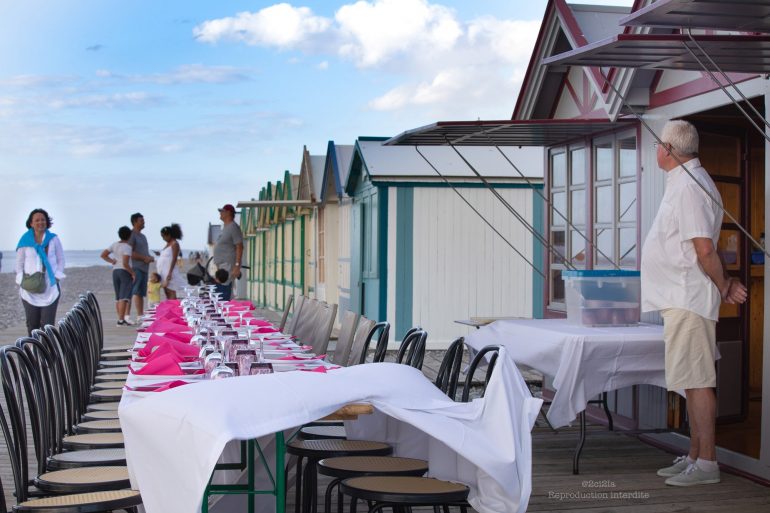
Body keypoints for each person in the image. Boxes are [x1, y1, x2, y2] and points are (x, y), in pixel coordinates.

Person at [641, 120, 748, 487]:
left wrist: (723, 285)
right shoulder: (685, 181)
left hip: (687, 298)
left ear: (669, 149)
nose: (655, 150)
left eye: (658, 145)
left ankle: (707, 464)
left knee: (699, 381)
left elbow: (703, 248)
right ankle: (693, 456)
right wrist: (724, 282)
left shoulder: (688, 186)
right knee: (690, 380)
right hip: (680, 298)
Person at [15, 208, 66, 336]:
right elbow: (19, 263)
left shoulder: (53, 239)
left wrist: (58, 275)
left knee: (48, 325)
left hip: (50, 287)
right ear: (31, 223)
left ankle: (47, 352)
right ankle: (34, 351)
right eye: (37, 220)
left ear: (47, 222)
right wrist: (21, 279)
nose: (40, 222)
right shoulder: (25, 240)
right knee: (32, 323)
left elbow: (61, 259)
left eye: (43, 220)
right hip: (29, 289)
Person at [101, 226, 135, 326]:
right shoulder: (127, 247)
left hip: (115, 271)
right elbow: (125, 263)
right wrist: (133, 273)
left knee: (118, 297)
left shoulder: (114, 245)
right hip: (124, 271)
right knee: (124, 297)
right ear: (129, 235)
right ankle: (120, 320)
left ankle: (120, 318)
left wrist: (112, 261)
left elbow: (103, 255)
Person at [127, 212, 155, 323]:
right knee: (137, 291)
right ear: (134, 222)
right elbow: (129, 252)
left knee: (142, 292)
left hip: (144, 267)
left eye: (143, 220)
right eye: (141, 220)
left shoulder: (143, 236)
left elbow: (143, 251)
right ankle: (137, 316)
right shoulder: (131, 234)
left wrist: (149, 257)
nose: (144, 222)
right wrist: (144, 258)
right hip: (136, 267)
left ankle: (141, 314)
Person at [213, 204, 243, 301]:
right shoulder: (225, 227)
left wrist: (237, 266)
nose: (220, 213)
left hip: (228, 267)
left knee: (223, 295)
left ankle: (223, 314)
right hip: (221, 267)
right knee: (219, 294)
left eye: (222, 211)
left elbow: (239, 246)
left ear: (228, 213)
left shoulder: (233, 227)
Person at [157, 223, 186, 299]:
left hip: (169, 271)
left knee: (171, 290)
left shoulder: (174, 244)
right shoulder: (168, 244)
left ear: (169, 235)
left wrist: (170, 272)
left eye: (164, 236)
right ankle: (170, 308)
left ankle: (173, 308)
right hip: (163, 271)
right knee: (166, 291)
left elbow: (174, 258)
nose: (163, 238)